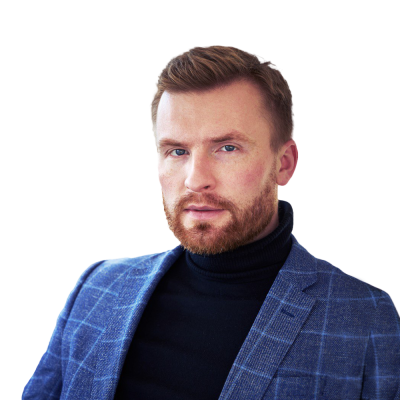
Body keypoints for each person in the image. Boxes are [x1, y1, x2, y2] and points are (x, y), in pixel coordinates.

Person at [22, 45, 400, 400]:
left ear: (284, 164)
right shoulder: (97, 287)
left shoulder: (367, 319)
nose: (195, 179)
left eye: (227, 148)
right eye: (177, 151)